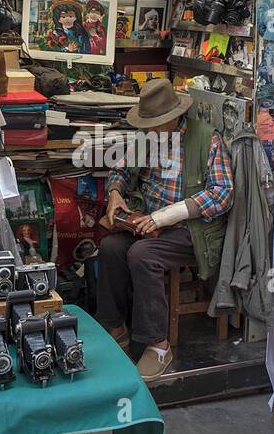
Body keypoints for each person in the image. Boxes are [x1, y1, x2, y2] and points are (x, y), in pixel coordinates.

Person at [98, 79, 233, 382]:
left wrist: (167, 216)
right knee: (109, 247)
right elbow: (119, 169)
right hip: (148, 220)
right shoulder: (146, 137)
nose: (152, 131)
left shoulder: (206, 139)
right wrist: (116, 191)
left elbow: (223, 193)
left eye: (157, 124)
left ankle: (158, 345)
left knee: (142, 255)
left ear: (174, 117)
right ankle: (115, 328)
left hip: (191, 229)